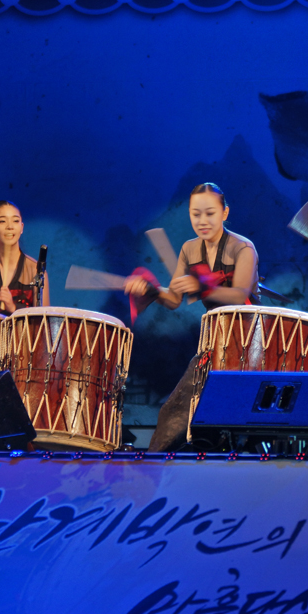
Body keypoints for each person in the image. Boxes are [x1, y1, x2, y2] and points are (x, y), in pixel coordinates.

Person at [124, 183, 259, 452]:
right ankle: (156, 469)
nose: (202, 221)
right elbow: (174, 300)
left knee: (234, 417)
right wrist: (151, 289)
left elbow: (239, 294)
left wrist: (202, 286)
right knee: (173, 415)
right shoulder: (190, 249)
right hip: (215, 343)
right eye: (196, 214)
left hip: (249, 344)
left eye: (210, 213)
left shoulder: (243, 248)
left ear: (225, 212)